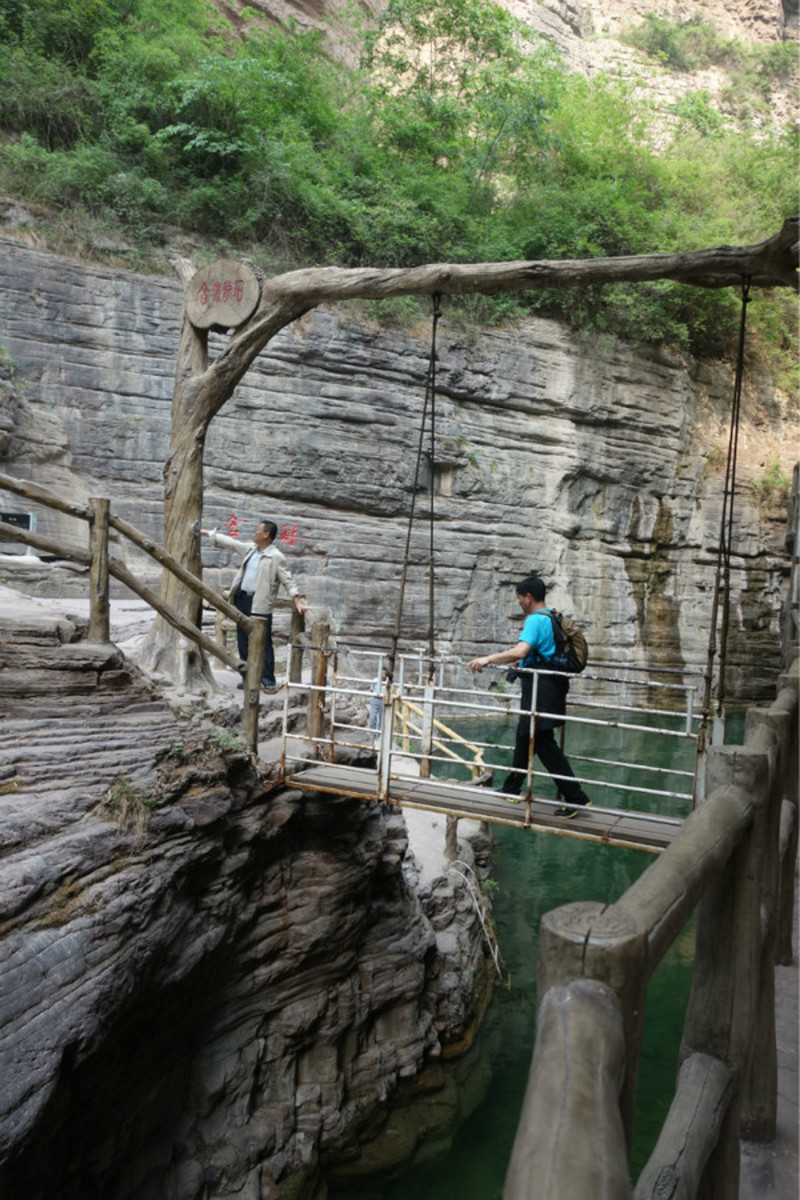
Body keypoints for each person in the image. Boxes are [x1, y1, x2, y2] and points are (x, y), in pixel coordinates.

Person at [468, 575, 591, 818]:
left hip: (541, 689)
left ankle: (576, 797)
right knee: (526, 735)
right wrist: (524, 661)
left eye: (519, 599)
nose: (519, 604)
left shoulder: (536, 620)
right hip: (548, 686)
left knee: (543, 742)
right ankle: (512, 788)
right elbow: (539, 653)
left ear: (528, 597)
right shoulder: (551, 617)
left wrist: (488, 658)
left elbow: (522, 648)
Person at [202, 520, 310, 693]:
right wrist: (208, 534)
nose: (254, 532)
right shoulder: (251, 549)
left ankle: (267, 679)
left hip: (260, 602)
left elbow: (288, 580)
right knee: (243, 640)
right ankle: (248, 677)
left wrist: (297, 600)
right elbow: (232, 543)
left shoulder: (276, 557)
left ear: (266, 534)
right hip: (242, 599)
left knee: (263, 642)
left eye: (257, 530)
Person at [368, 664, 390, 739]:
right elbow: (371, 689)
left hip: (383, 700)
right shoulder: (375, 680)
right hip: (375, 699)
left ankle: (380, 734)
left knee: (382, 718)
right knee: (372, 717)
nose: (383, 675)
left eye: (384, 673)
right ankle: (372, 733)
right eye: (382, 673)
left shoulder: (388, 682)